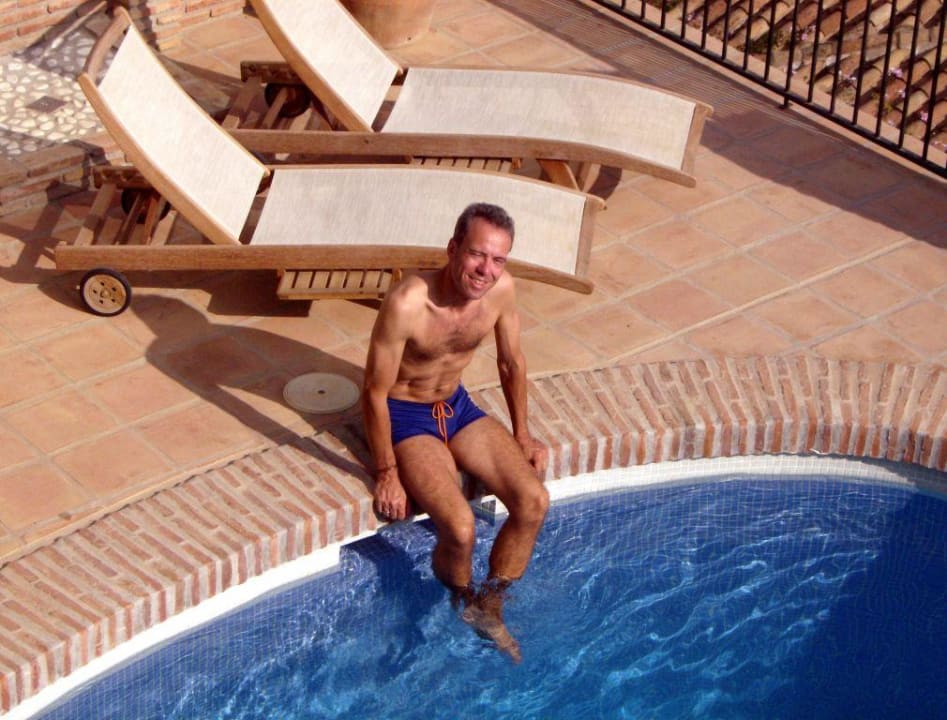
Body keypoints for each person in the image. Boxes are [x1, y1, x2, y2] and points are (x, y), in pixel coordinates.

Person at [361, 202, 549, 662]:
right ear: (453, 249)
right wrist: (386, 471)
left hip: (457, 408)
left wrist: (522, 434)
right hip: (407, 415)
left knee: (534, 501)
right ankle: (461, 599)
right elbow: (373, 392)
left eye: (498, 259)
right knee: (461, 528)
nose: (486, 270)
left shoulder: (501, 291)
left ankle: (491, 602)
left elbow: (511, 362)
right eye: (477, 255)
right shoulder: (409, 302)